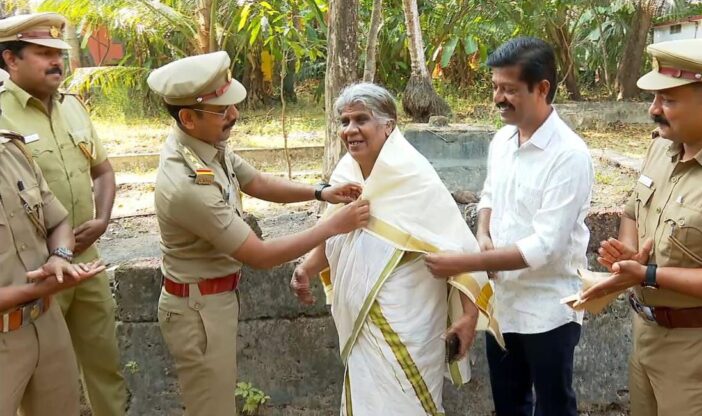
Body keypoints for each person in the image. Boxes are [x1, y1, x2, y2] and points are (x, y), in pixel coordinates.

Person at [147, 51, 370, 416]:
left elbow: (257, 181)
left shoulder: (205, 147)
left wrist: (320, 191)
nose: (234, 115)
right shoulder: (186, 183)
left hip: (213, 301)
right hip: (198, 309)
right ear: (188, 118)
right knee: (211, 408)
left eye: (231, 104)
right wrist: (332, 225)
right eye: (222, 110)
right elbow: (260, 255)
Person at [580, 39, 702, 416]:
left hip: (701, 344)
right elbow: (633, 210)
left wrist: (649, 273)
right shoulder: (663, 148)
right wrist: (632, 253)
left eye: (668, 100)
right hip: (648, 331)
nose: (654, 110)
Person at [290, 82, 503, 416]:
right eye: (345, 122)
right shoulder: (345, 173)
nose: (351, 130)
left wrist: (468, 314)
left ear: (388, 125)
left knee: (406, 401)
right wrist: (306, 268)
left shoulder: (413, 176)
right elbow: (337, 239)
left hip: (411, 319)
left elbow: (457, 246)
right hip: (361, 321)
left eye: (361, 119)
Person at [424, 37, 594, 416]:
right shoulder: (502, 140)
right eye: (495, 87)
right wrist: (483, 235)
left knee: (554, 406)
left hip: (550, 308)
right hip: (504, 305)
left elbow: (545, 247)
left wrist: (464, 263)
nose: (498, 98)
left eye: (510, 90)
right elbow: (489, 196)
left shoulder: (569, 155)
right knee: (509, 404)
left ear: (542, 88)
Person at [0, 12, 127, 415]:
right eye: (43, 53)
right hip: (33, 272)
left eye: (58, 52)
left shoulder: (73, 106)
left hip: (83, 262)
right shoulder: (2, 115)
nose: (57, 61)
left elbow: (102, 170)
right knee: (38, 376)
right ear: (11, 59)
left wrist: (103, 218)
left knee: (104, 365)